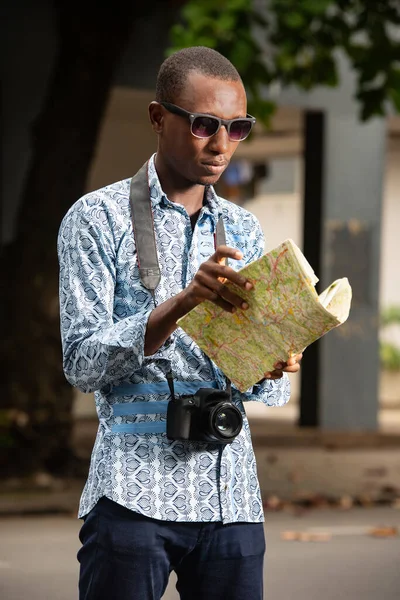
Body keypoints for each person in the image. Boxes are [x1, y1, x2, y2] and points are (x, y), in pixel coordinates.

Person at [58, 46, 302, 600]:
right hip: (132, 494)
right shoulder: (95, 218)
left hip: (232, 493)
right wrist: (183, 301)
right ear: (156, 117)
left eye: (237, 128)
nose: (221, 145)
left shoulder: (243, 228)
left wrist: (275, 360)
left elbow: (269, 391)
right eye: (202, 125)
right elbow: (81, 361)